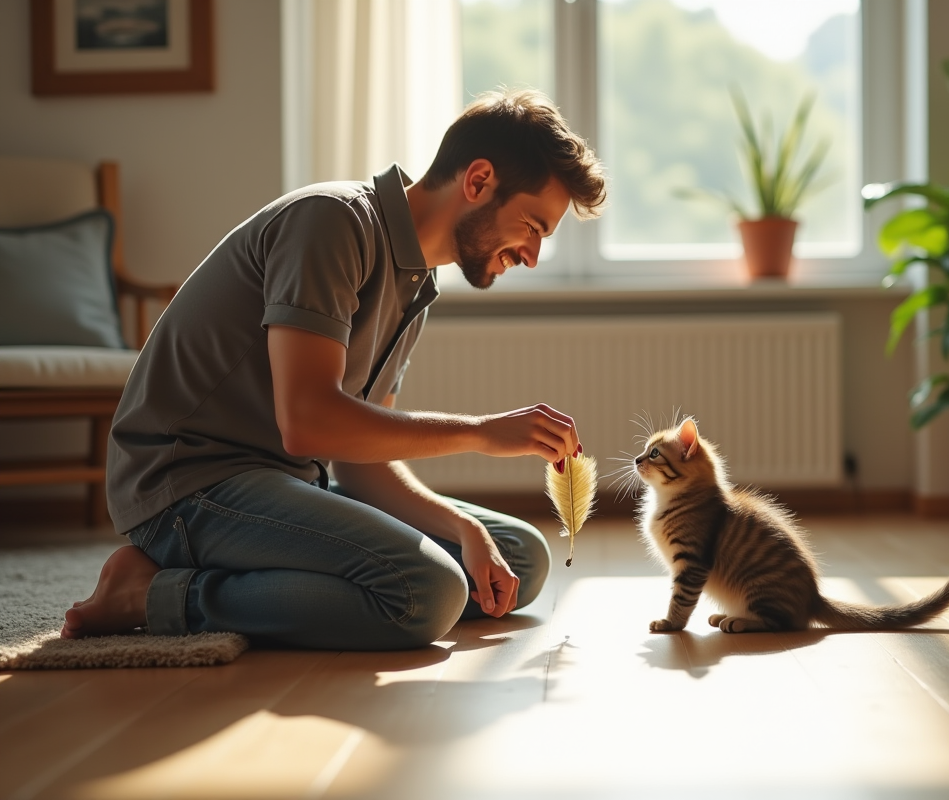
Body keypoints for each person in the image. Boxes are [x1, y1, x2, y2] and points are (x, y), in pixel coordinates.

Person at [61, 89, 607, 650]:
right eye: (533, 227)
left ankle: (303, 581)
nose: (533, 254)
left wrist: (459, 525)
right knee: (427, 591)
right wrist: (479, 433)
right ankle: (151, 593)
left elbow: (357, 461)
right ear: (478, 181)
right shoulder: (334, 221)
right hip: (190, 484)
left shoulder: (415, 280)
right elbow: (308, 423)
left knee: (518, 557)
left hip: (288, 481)